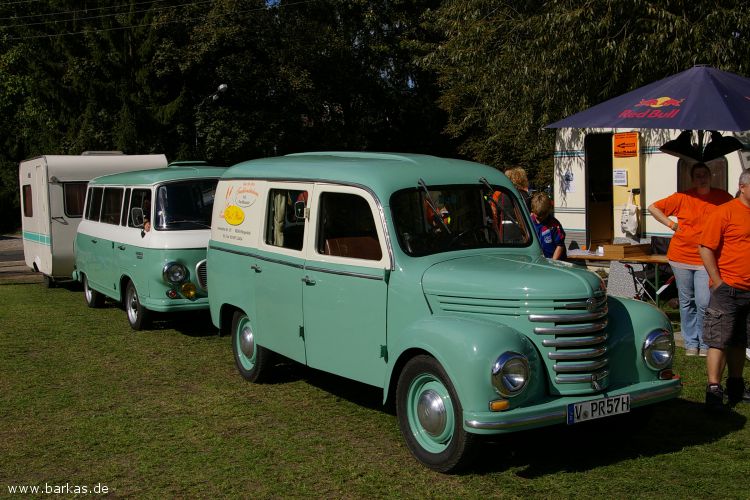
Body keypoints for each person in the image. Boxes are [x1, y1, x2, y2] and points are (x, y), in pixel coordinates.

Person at [648, 163, 733, 356]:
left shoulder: (722, 197)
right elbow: (653, 207)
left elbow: (735, 213)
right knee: (686, 301)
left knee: (703, 302)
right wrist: (672, 224)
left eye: (704, 175)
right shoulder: (682, 197)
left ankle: (704, 343)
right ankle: (690, 343)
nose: (702, 178)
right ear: (692, 180)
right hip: (680, 256)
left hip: (706, 258)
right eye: (698, 176)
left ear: (710, 176)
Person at [698, 169, 750, 411]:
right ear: (742, 187)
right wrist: (718, 281)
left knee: (740, 339)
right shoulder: (724, 212)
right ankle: (714, 389)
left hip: (748, 290)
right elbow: (705, 247)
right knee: (719, 340)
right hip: (727, 289)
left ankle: (736, 384)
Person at [530, 192, 566, 260]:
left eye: (542, 217)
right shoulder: (529, 222)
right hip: (536, 260)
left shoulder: (554, 224)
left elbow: (560, 245)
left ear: (548, 212)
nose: (540, 219)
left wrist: (553, 262)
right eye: (537, 217)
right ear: (533, 210)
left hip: (552, 259)